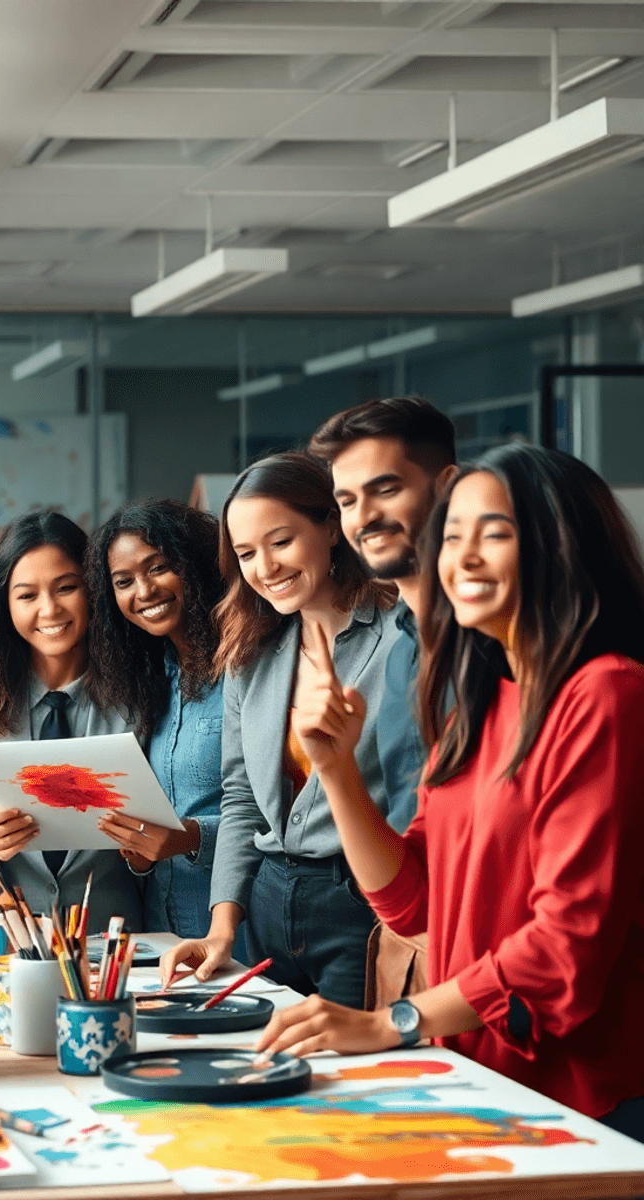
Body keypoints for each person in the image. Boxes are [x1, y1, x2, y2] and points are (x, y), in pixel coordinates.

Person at [257, 444, 644, 1138]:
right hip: (482, 1077)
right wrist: (335, 770)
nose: (461, 559)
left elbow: (566, 942)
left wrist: (392, 1021)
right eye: (451, 536)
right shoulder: (479, 702)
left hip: (589, 1100)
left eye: (494, 534)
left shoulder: (606, 693)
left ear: (561, 547)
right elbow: (413, 903)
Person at [160, 452, 396, 1007]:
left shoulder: (399, 640)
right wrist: (222, 929)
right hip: (268, 904)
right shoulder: (251, 648)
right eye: (246, 553)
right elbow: (242, 798)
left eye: (281, 541)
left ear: (332, 527)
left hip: (362, 904)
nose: (265, 568)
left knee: (345, 1060)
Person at [309, 396, 456, 1004]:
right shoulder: (399, 649)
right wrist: (333, 766)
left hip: (500, 960)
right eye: (346, 500)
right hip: (411, 938)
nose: (364, 517)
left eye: (385, 489)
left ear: (446, 487)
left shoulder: (501, 653)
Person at [0, 512, 142, 934]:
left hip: (113, 932)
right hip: (10, 934)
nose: (50, 609)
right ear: (4, 604)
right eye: (27, 595)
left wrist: (140, 846)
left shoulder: (137, 692)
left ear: (93, 588)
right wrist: (1, 903)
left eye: (66, 588)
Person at [85, 499, 226, 938]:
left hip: (237, 929)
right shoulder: (148, 677)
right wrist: (141, 853)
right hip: (161, 930)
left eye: (159, 567)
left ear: (194, 564)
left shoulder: (244, 668)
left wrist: (191, 837)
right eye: (124, 581)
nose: (144, 591)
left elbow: (278, 816)